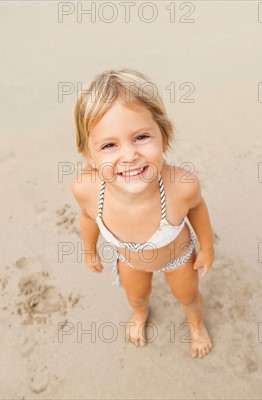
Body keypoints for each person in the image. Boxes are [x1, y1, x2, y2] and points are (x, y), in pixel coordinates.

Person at [71, 69, 214, 358]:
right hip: (130, 259)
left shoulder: (181, 186)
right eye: (109, 145)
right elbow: (88, 218)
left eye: (141, 137)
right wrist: (89, 250)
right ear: (89, 154)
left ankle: (195, 323)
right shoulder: (86, 189)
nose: (129, 155)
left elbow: (197, 207)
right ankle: (140, 315)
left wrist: (207, 247)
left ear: (164, 135)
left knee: (188, 295)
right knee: (136, 296)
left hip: (177, 257)